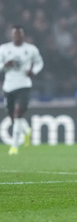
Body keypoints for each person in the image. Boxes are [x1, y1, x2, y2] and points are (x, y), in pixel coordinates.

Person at [0, 25, 44, 155]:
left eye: (20, 34)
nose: (18, 36)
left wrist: (33, 71)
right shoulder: (4, 49)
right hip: (8, 86)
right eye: (15, 34)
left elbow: (39, 62)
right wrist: (4, 65)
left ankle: (14, 146)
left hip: (24, 85)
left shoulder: (31, 49)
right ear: (12, 35)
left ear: (23, 35)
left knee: (18, 112)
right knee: (12, 115)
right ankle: (26, 130)